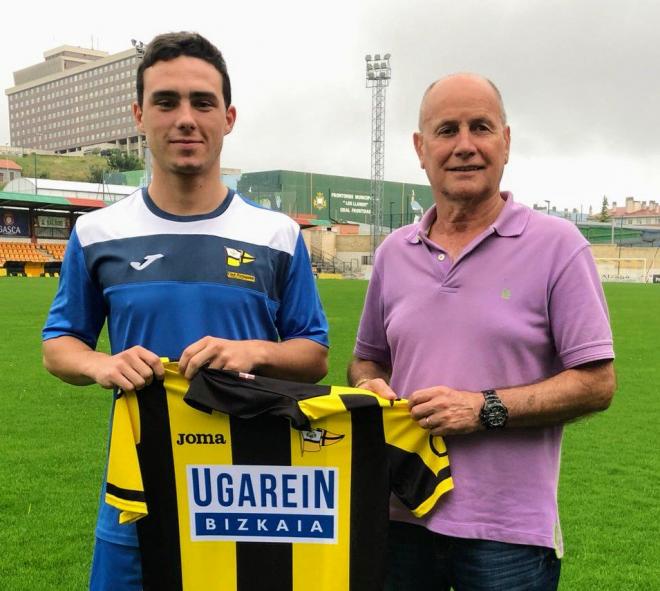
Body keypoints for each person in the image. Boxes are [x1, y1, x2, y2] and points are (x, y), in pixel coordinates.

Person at [42, 32, 328, 590]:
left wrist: (254, 351)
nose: (185, 119)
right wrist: (102, 365)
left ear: (229, 116)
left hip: (252, 494)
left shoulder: (276, 235)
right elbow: (60, 344)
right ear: (139, 115)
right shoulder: (98, 233)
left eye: (202, 102)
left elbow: (313, 355)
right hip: (139, 485)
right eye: (166, 102)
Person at [348, 73, 615, 590]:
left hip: (507, 535)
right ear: (421, 149)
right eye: (447, 131)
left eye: (481, 128)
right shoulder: (393, 254)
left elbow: (597, 382)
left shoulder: (559, 246)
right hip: (401, 513)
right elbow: (367, 359)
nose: (465, 146)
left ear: (506, 142)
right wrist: (367, 385)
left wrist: (482, 408)